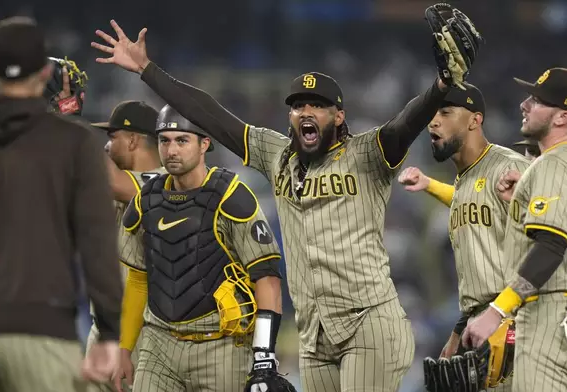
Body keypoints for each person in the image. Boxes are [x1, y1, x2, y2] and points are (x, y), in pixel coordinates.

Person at [89, 12, 482, 389]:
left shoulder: (367, 153)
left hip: (369, 323)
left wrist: (442, 86)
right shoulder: (276, 154)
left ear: (339, 116)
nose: (305, 111)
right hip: (314, 332)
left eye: (317, 105)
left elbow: (405, 124)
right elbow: (209, 115)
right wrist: (147, 70)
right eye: (297, 105)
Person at [118, 104, 289, 392]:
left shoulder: (231, 197)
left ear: (204, 145)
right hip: (159, 346)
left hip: (220, 347)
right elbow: (137, 278)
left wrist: (263, 357)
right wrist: (123, 348)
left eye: (182, 141)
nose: (171, 150)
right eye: (165, 140)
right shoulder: (145, 200)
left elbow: (267, 276)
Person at [0, 16, 122, 391]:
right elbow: (97, 244)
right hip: (41, 328)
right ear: (44, 72)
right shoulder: (73, 143)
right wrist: (110, 334)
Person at [462, 67, 567, 392]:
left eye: (537, 100)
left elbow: (551, 245)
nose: (524, 105)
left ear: (562, 117)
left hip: (552, 318)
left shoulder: (553, 164)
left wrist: (496, 311)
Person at [398, 83, 529, 390]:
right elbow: (467, 199)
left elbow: (551, 246)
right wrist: (459, 331)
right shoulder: (467, 179)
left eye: (445, 112)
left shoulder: (509, 168)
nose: (433, 121)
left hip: (518, 325)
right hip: (482, 323)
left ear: (474, 120)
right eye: (432, 114)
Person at [88, 100, 166, 392]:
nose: (106, 147)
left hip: (143, 337)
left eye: (112, 137)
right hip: (102, 329)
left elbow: (115, 184)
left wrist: (69, 122)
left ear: (134, 139)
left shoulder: (166, 183)